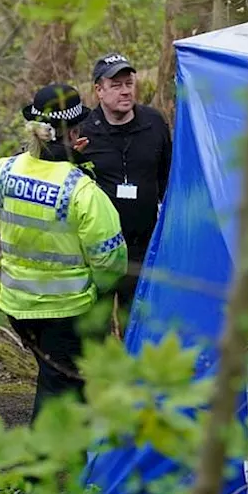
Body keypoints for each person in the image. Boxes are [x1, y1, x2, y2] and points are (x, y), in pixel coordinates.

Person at [0, 83, 129, 422]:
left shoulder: (4, 171)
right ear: (76, 130)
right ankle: (46, 470)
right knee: (59, 388)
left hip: (16, 305)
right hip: (66, 312)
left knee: (51, 377)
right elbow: (111, 261)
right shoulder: (82, 191)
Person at [79, 52, 172, 334]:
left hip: (143, 246)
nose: (125, 91)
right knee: (96, 330)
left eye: (129, 83)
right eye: (116, 84)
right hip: (100, 251)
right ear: (99, 89)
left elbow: (168, 178)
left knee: (139, 325)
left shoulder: (154, 122)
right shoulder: (84, 131)